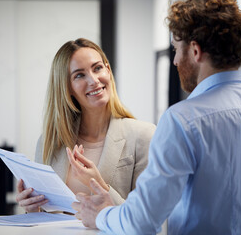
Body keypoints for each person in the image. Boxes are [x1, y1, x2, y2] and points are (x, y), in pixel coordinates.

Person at [72, 0, 241, 234]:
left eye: (176, 49)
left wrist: (101, 216)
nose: (176, 61)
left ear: (195, 51)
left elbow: (143, 221)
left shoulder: (183, 121)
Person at [15, 38, 156, 213]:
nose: (94, 80)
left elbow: (147, 218)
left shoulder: (144, 135)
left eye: (97, 68)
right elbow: (43, 220)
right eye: (80, 75)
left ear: (108, 70)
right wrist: (33, 208)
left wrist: (99, 185)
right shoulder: (49, 142)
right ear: (67, 88)